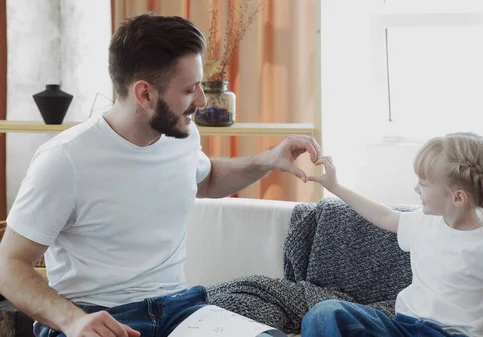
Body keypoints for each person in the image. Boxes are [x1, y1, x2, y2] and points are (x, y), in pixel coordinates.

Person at [0, 13, 320, 337]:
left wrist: (269, 160)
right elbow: (9, 266)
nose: (202, 100)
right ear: (145, 94)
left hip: (179, 311)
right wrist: (73, 321)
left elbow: (205, 180)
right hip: (97, 318)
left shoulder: (179, 134)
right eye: (189, 90)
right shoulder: (64, 160)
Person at [301, 133, 483, 337]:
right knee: (325, 314)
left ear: (457, 197)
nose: (416, 189)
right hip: (403, 328)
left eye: (424, 183)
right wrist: (336, 187)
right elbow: (384, 216)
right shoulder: (422, 222)